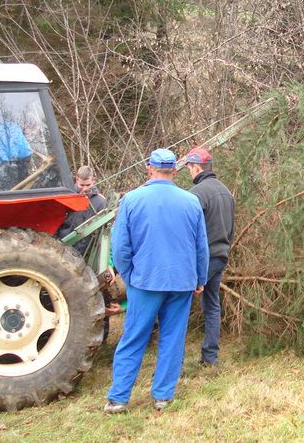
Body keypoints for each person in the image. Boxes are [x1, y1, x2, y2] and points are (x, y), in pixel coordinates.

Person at [104, 148, 208, 414]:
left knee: (134, 337)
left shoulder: (131, 200)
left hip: (145, 281)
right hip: (181, 282)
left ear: (149, 169)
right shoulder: (190, 201)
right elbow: (200, 247)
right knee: (173, 338)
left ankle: (118, 398)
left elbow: (121, 247)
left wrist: (130, 277)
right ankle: (162, 395)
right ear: (175, 171)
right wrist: (200, 278)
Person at [183, 147, 235, 367]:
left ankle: (177, 362)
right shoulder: (226, 192)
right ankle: (210, 357)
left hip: (201, 261)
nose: (189, 173)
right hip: (221, 257)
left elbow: (188, 233)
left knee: (179, 308)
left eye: (189, 168)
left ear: (196, 167)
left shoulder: (196, 195)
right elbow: (231, 228)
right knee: (212, 305)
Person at [56, 165, 107, 255]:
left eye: (88, 185)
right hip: (61, 247)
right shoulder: (66, 196)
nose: (85, 189)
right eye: (82, 185)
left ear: (93, 181)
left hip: (85, 252)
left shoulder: (101, 202)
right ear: (77, 180)